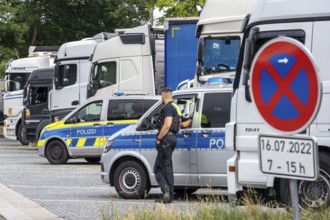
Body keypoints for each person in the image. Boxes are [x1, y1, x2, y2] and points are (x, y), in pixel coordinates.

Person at [154, 88, 181, 204]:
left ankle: (165, 189)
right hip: (173, 138)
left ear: (164, 96)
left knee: (158, 168)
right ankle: (169, 197)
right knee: (167, 168)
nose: (161, 98)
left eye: (161, 96)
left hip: (166, 140)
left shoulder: (168, 108)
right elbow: (183, 123)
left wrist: (159, 138)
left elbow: (167, 125)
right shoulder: (176, 108)